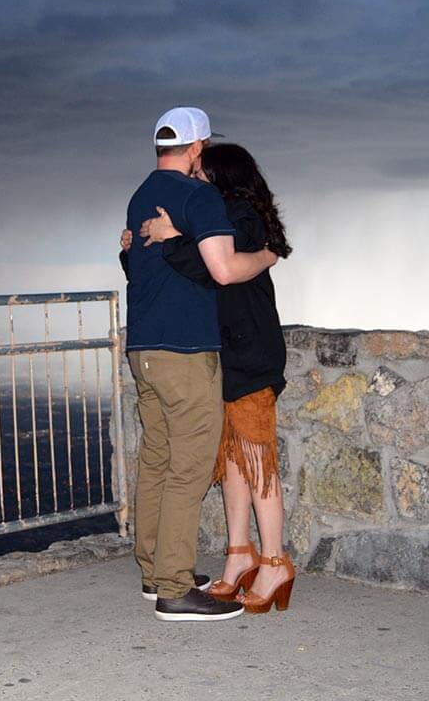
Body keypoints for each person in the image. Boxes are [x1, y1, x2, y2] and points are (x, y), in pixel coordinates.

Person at [122, 142, 294, 615]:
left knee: (256, 459)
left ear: (224, 177)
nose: (195, 179)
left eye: (203, 173)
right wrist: (146, 245)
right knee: (233, 459)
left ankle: (275, 561)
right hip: (226, 350)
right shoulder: (219, 211)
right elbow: (194, 273)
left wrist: (171, 235)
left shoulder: (238, 215)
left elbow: (213, 269)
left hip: (249, 353)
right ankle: (241, 555)